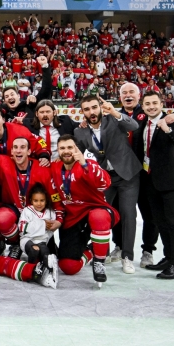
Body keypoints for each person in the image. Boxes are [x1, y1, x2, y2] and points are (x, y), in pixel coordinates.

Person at [73, 96, 141, 274]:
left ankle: (127, 257)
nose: (91, 112)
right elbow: (76, 155)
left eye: (94, 107)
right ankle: (99, 252)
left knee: (128, 215)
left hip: (128, 174)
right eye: (87, 109)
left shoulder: (113, 119)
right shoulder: (80, 131)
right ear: (83, 112)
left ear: (100, 108)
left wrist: (115, 112)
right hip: (105, 178)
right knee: (100, 215)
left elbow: (134, 126)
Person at [50, 135, 119, 288]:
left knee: (98, 216)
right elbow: (54, 195)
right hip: (73, 217)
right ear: (58, 151)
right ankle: (93, 250)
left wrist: (84, 164)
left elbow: (104, 184)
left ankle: (99, 262)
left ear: (77, 149)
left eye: (70, 147)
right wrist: (59, 218)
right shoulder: (54, 167)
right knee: (68, 266)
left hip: (95, 210)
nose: (66, 151)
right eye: (62, 148)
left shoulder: (88, 164)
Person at [133, 91, 174, 279]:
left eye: (154, 103)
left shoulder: (171, 121)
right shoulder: (141, 122)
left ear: (161, 103)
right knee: (160, 223)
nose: (151, 107)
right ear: (143, 105)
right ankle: (168, 258)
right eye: (147, 104)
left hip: (171, 181)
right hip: (150, 181)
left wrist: (169, 129)